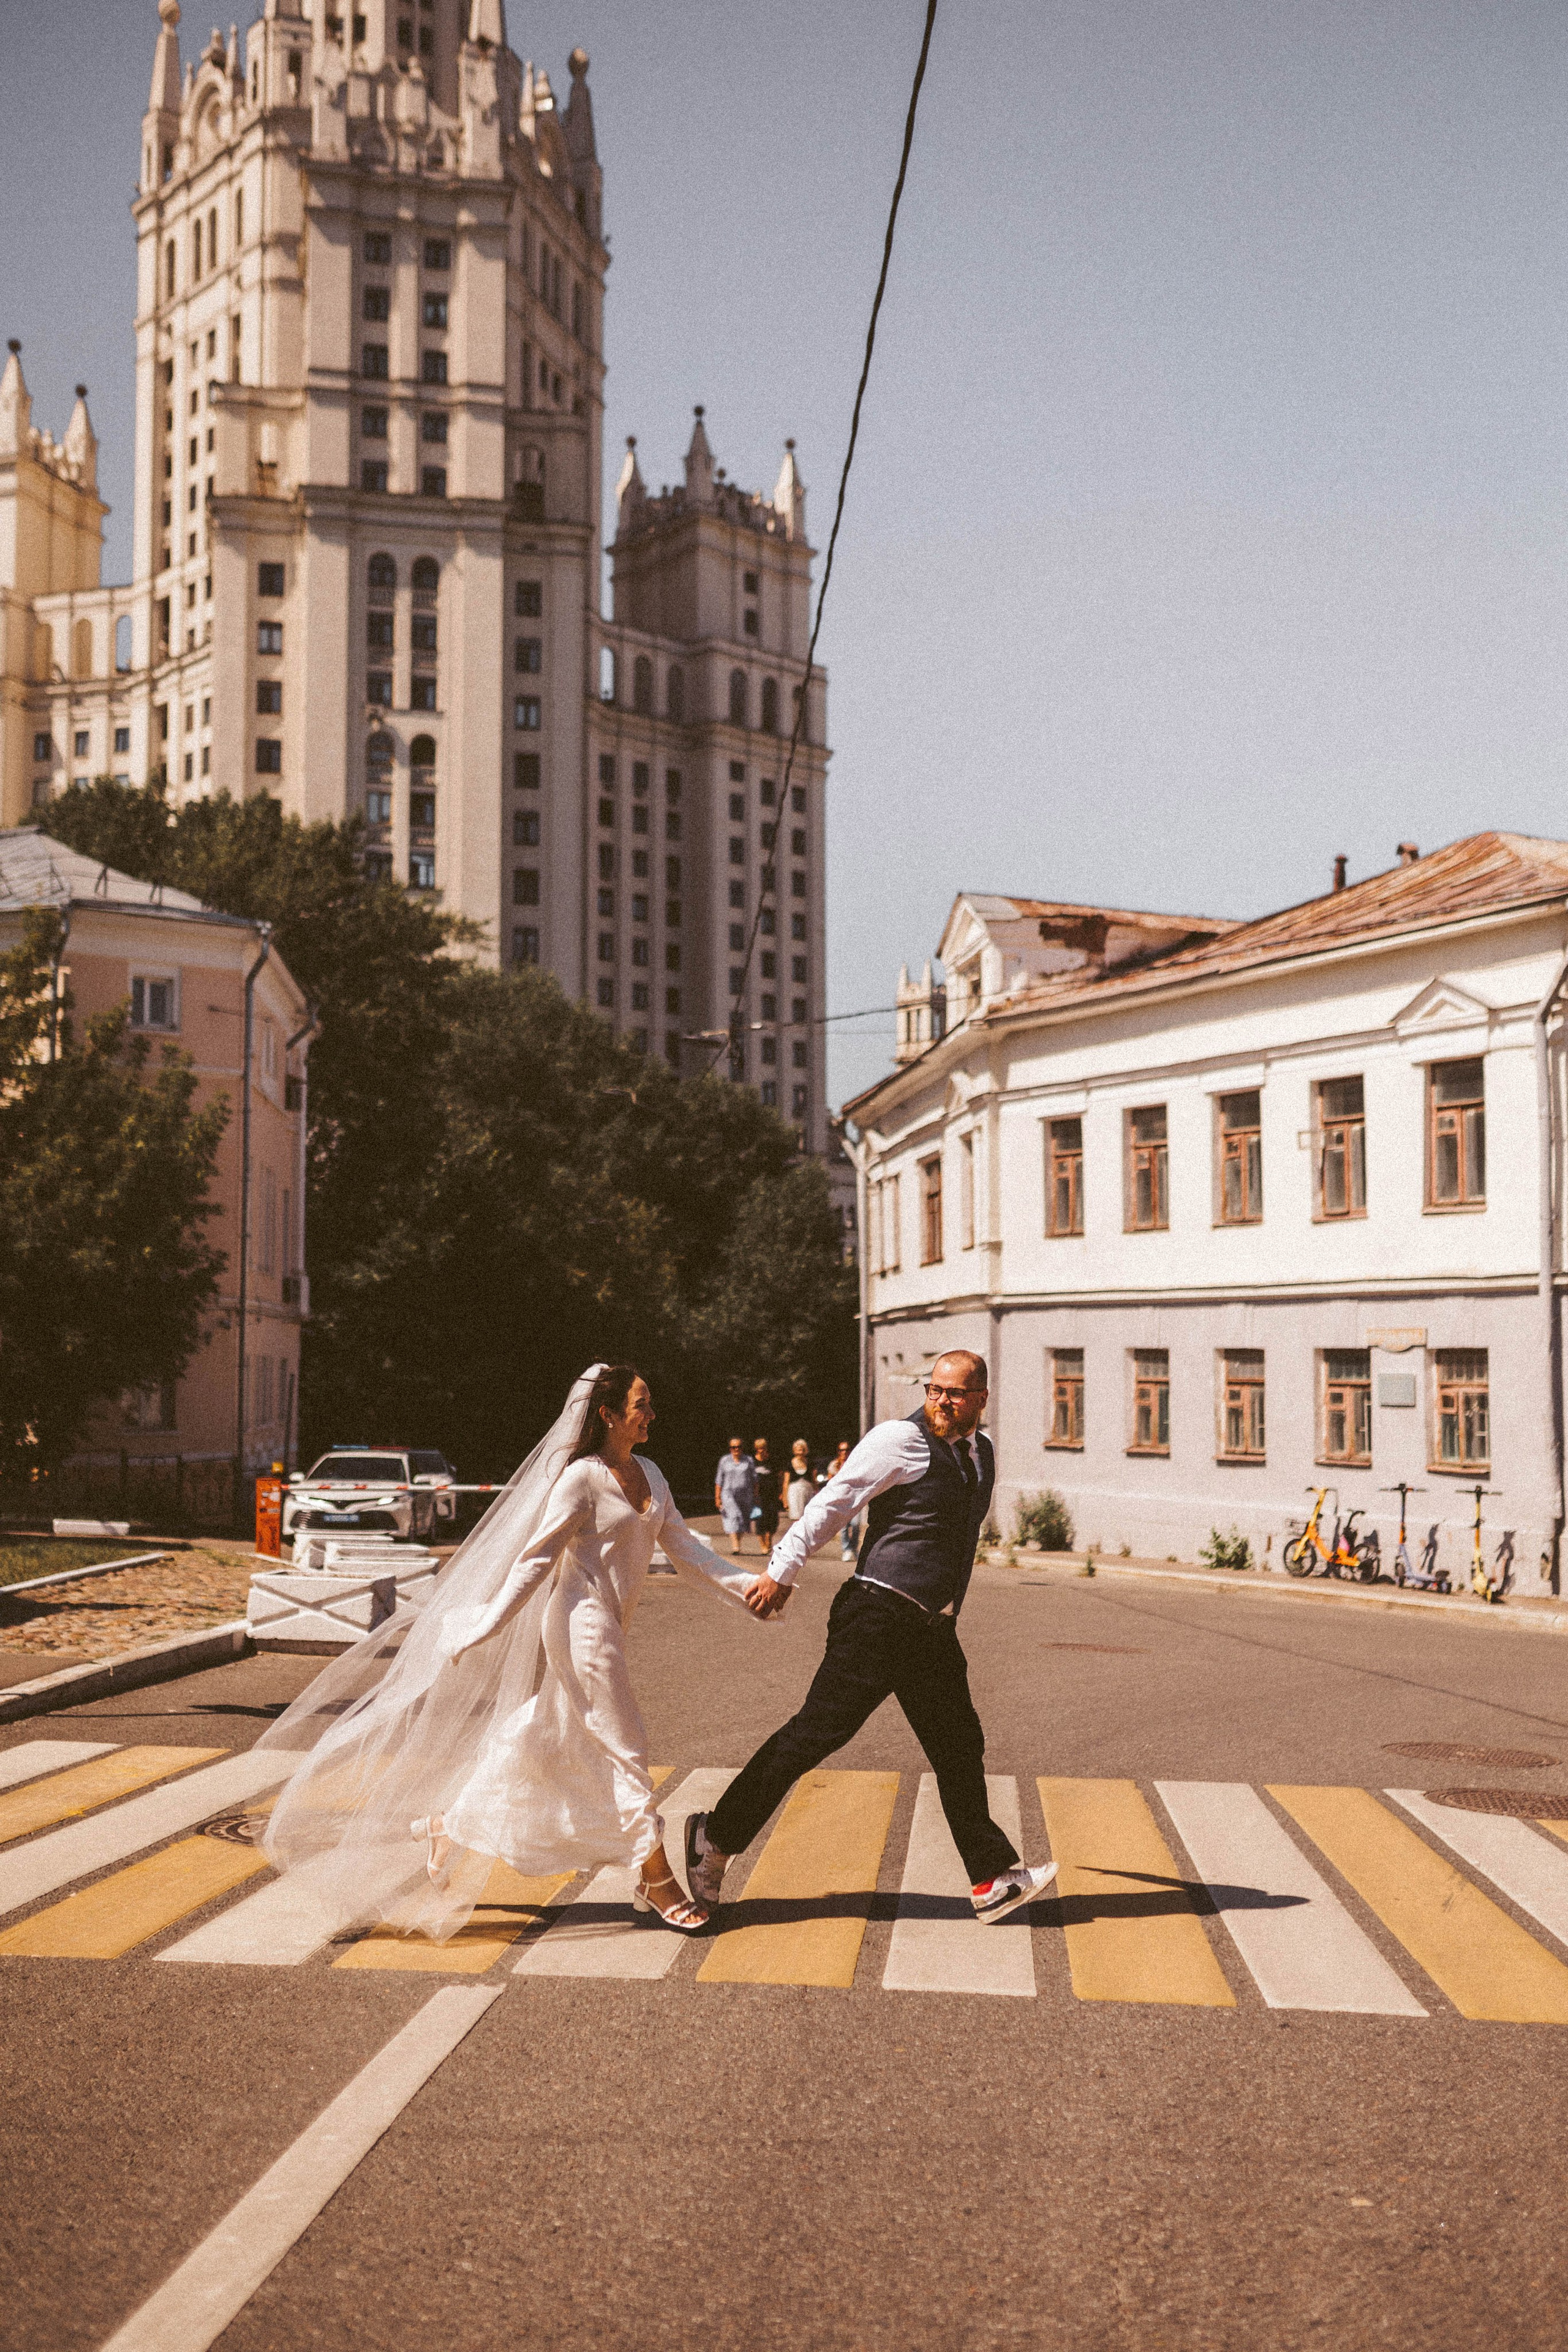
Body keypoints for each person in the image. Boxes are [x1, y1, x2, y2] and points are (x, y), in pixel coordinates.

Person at [258, 1365, 772, 1942]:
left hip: (612, 1628)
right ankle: (655, 1879)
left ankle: (448, 1827)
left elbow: (683, 1547)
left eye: (650, 1405)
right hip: (581, 1628)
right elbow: (536, 1559)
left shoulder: (648, 1472)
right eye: (641, 1404)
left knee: (548, 1737)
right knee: (628, 1748)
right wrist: (486, 1623)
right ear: (607, 1414)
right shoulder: (581, 1479)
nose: (651, 1414)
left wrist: (749, 1587)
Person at [685, 1350, 1057, 1926]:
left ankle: (990, 1879)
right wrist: (782, 1572)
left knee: (959, 1745)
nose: (940, 1401)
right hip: (877, 1616)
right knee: (815, 1734)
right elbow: (834, 1503)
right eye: (934, 1389)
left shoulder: (981, 1454)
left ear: (981, 1399)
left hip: (931, 1628)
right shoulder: (898, 1440)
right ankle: (714, 1839)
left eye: (955, 1393)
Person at [714, 1434, 756, 1558]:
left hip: (745, 1494)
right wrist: (717, 1497)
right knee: (733, 1516)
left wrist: (756, 1495)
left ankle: (738, 1541)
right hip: (728, 1494)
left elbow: (754, 1479)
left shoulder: (748, 1460)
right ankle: (735, 1546)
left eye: (739, 1447)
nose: (736, 1449)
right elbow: (719, 1480)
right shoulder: (724, 1461)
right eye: (733, 1447)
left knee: (743, 1519)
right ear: (730, 1449)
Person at [823, 1438, 859, 1562]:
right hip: (840, 1500)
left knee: (855, 1525)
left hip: (854, 1499)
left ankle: (854, 1549)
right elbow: (830, 1483)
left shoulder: (855, 1463)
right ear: (838, 1452)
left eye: (847, 1450)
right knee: (844, 1527)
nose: (844, 1452)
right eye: (842, 1450)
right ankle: (846, 1550)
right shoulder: (834, 1465)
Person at [751, 1436, 780, 1559]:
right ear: (756, 1449)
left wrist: (780, 1493)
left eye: (763, 1448)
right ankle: (763, 1544)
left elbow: (779, 1478)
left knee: (773, 1519)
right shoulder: (752, 1462)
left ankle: (769, 1538)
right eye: (758, 1449)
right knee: (759, 1520)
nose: (761, 1451)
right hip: (758, 1495)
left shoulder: (773, 1461)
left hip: (772, 1494)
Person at [785, 1440, 814, 1525]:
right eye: (798, 1450)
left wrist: (817, 1493)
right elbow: (786, 1482)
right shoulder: (790, 1464)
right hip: (794, 1492)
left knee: (808, 1517)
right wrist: (785, 1500)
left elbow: (813, 1480)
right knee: (797, 1518)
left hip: (807, 1491)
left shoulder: (810, 1463)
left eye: (802, 1450)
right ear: (794, 1451)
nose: (800, 1453)